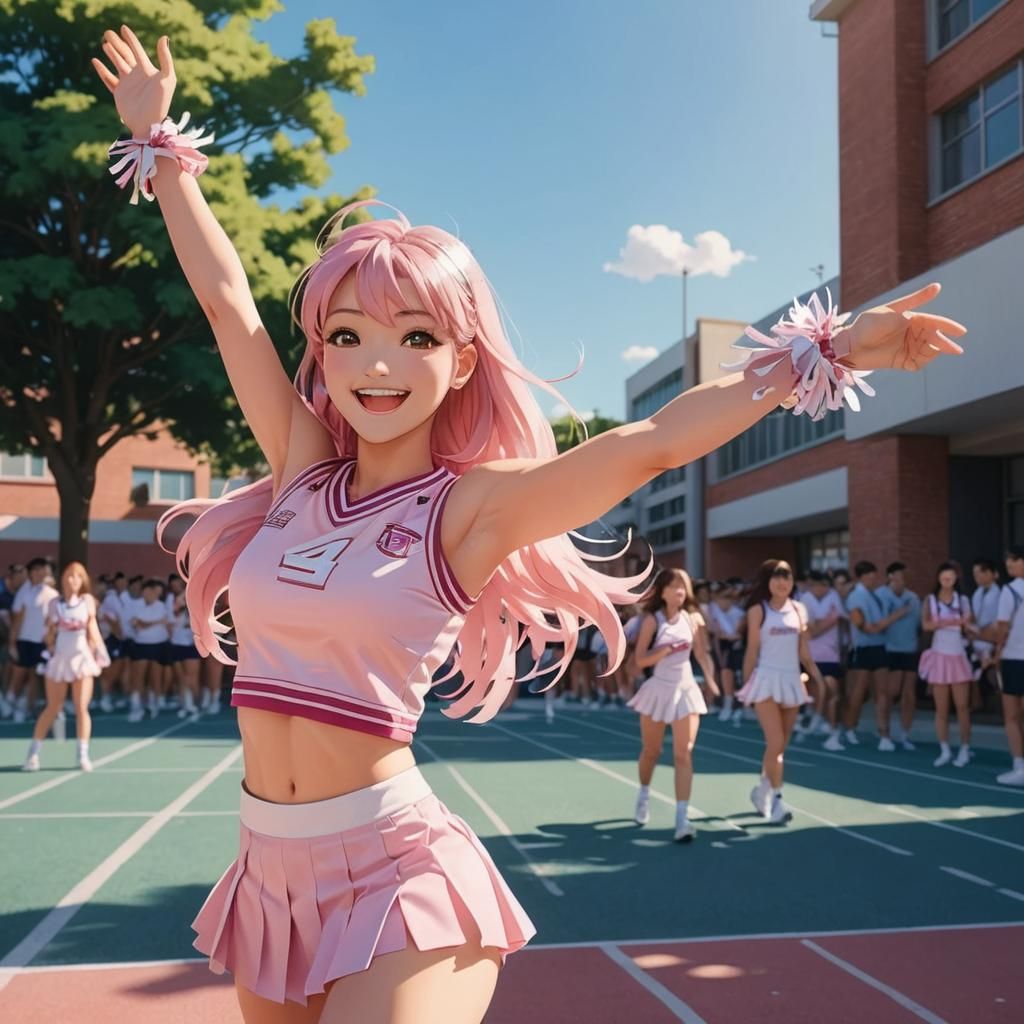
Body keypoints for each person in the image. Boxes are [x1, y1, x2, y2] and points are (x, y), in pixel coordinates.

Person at [91, 23, 965, 1022]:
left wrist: (825, 346)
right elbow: (225, 299)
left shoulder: (471, 507)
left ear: (461, 360)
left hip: (396, 869)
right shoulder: (299, 470)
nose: (377, 364)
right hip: (267, 866)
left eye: (415, 337)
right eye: (347, 336)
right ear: (322, 354)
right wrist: (161, 150)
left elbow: (652, 441)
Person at [627, 569, 719, 842]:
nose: (679, 590)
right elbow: (640, 661)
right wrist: (663, 651)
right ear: (663, 591)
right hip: (658, 689)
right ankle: (644, 793)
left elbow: (702, 654)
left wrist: (712, 682)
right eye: (673, 585)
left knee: (683, 754)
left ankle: (682, 819)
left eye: (683, 586)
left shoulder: (693, 619)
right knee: (652, 750)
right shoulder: (651, 621)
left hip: (686, 690)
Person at [738, 560, 825, 824]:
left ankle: (761, 790)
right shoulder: (758, 610)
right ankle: (777, 800)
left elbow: (804, 650)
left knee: (780, 746)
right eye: (776, 576)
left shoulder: (799, 610)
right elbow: (752, 649)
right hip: (765, 679)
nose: (782, 581)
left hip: (791, 680)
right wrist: (746, 685)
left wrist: (819, 678)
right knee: (775, 744)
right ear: (767, 581)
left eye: (786, 576)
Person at [22, 562, 109, 772]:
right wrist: (50, 639)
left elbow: (92, 628)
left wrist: (99, 651)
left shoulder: (87, 601)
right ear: (63, 579)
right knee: (53, 707)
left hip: (81, 658)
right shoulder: (54, 604)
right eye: (69, 576)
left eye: (78, 576)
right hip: (60, 657)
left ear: (83, 581)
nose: (73, 580)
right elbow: (49, 633)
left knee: (81, 707)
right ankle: (33, 754)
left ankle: (83, 754)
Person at [842, 561, 909, 749]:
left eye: (874, 575)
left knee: (883, 693)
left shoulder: (874, 595)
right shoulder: (856, 597)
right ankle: (849, 729)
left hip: (879, 646)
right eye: (869, 575)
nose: (873, 578)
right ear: (861, 577)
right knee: (859, 692)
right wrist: (896, 616)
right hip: (862, 648)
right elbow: (867, 627)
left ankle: (884, 735)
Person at [919, 561, 975, 768]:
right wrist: (951, 622)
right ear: (938, 579)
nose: (947, 581)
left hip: (958, 655)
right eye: (943, 578)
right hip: (939, 655)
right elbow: (926, 625)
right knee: (941, 709)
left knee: (962, 707)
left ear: (956, 579)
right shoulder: (930, 600)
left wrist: (957, 623)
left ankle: (965, 748)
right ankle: (944, 749)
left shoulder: (963, 600)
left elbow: (969, 624)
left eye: (950, 578)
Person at [984, 546, 1024, 785]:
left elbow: (1001, 628)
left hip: (1013, 659)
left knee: (1011, 716)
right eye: (1008, 560)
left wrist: (994, 652)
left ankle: (1019, 765)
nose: (1010, 564)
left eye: (1015, 560)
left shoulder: (1010, 590)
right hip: (1014, 658)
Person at [6, 557, 59, 723]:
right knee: (19, 674)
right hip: (24, 640)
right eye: (36, 570)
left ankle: (26, 707)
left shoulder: (52, 594)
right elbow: (17, 617)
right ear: (31, 573)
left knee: (35, 676)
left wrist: (51, 642)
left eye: (42, 569)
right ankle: (9, 701)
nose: (40, 573)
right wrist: (12, 642)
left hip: (41, 643)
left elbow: (53, 622)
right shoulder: (24, 591)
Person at [798, 570, 846, 750]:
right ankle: (813, 721)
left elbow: (839, 621)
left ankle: (831, 730)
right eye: (818, 585)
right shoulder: (806, 600)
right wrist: (830, 620)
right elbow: (811, 632)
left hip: (832, 655)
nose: (822, 589)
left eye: (826, 585)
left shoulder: (834, 598)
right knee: (817, 693)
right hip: (811, 657)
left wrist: (825, 623)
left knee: (833, 692)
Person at [876, 562, 921, 751]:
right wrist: (898, 613)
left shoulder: (913, 598)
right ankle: (884, 735)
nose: (900, 580)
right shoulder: (880, 596)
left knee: (909, 695)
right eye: (897, 577)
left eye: (903, 577)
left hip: (909, 650)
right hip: (888, 650)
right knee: (889, 693)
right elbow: (878, 624)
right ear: (890, 577)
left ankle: (904, 735)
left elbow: (920, 626)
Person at [708, 582, 745, 723]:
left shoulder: (740, 614)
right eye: (720, 598)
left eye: (727, 598)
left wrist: (732, 636)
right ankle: (727, 705)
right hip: (722, 647)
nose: (722, 601)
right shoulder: (714, 611)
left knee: (739, 676)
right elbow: (717, 632)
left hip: (737, 647)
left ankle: (741, 707)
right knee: (724, 672)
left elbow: (739, 633)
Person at [971, 558, 1002, 710]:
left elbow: (999, 621)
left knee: (994, 674)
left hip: (992, 639)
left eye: (979, 573)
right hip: (977, 638)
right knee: (974, 671)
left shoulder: (1000, 593)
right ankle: (977, 703)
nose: (976, 577)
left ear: (989, 573)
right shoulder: (977, 594)